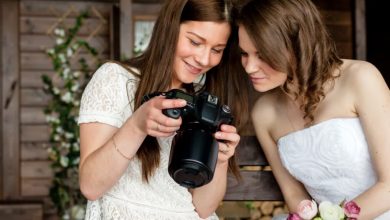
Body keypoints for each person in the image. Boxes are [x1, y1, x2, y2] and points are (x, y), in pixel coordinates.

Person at [77, 0, 249, 219]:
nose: (204, 59)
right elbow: (91, 187)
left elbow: (204, 209)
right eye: (195, 42)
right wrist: (137, 125)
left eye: (217, 50)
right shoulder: (116, 79)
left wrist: (221, 160)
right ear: (170, 28)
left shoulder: (204, 103)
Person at [236, 0, 390, 219]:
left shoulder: (361, 78)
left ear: (296, 45)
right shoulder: (264, 113)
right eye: (244, 53)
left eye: (262, 54)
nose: (249, 67)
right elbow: (293, 194)